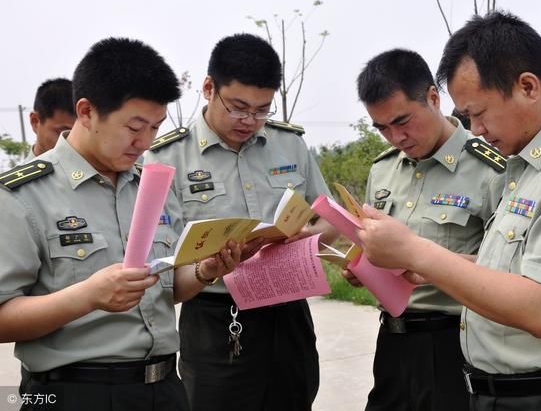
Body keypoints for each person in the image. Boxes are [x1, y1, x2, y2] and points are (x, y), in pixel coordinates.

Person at [356, 12, 541, 411]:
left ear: (527, 86)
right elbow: (520, 269)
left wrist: (417, 251)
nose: (473, 130)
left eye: (477, 113)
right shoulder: (526, 164)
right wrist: (436, 266)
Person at [0, 37, 240, 411]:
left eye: (155, 128)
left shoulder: (153, 185)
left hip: (164, 388)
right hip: (74, 394)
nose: (145, 142)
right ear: (86, 111)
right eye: (134, 127)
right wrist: (89, 295)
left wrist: (206, 270)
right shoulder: (22, 196)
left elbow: (165, 287)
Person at [145, 33, 339, 411]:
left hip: (288, 314)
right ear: (208, 88)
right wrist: (208, 265)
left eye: (262, 109)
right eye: (237, 107)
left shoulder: (290, 144)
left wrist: (303, 238)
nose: (250, 120)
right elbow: (161, 262)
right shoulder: (167, 158)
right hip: (216, 319)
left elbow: (328, 217)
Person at [348, 49, 504, 411]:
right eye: (382, 127)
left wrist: (429, 263)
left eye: (403, 121)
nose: (395, 137)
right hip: (392, 341)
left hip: (458, 343)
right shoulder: (383, 170)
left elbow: (512, 266)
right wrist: (363, 267)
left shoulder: (492, 168)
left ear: (433, 97)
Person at [27, 78, 76, 159]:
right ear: (35, 121)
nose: (72, 142)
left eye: (79, 133)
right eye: (63, 133)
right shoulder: (24, 172)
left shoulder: (96, 169)